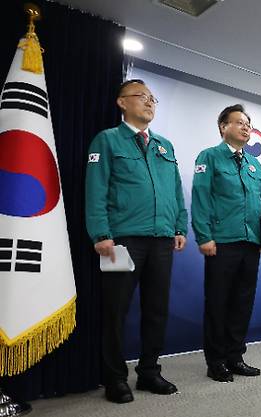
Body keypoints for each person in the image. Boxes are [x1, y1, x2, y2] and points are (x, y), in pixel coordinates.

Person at [85, 79, 188, 403]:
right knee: (115, 310)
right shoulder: (107, 140)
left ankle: (149, 372)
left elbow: (175, 191)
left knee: (157, 309)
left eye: (153, 98)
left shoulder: (165, 146)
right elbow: (96, 189)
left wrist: (180, 227)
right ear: (121, 102)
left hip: (161, 240)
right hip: (122, 239)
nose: (149, 103)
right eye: (141, 96)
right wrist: (101, 234)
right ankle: (115, 377)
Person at [192, 104, 261, 383]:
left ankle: (235, 356)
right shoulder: (210, 157)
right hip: (221, 242)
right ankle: (216, 361)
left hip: (250, 243)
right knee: (218, 303)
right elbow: (201, 198)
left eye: (248, 123)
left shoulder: (254, 164)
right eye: (239, 122)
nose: (246, 127)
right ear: (223, 127)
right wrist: (204, 236)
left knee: (242, 303)